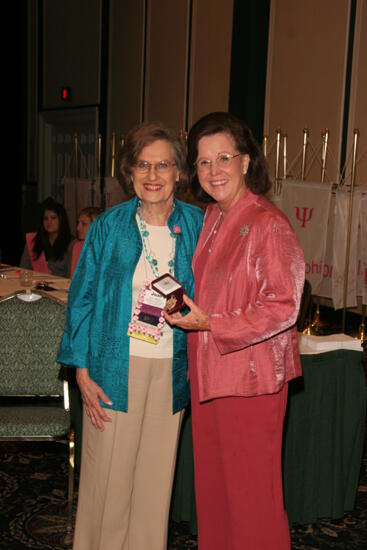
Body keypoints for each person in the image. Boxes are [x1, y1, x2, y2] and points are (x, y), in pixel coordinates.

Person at [57, 121, 203, 550]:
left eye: (163, 164)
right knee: (109, 481)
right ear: (130, 171)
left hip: (171, 369)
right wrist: (80, 369)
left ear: (179, 171)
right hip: (112, 367)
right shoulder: (108, 227)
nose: (153, 175)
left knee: (155, 482)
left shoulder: (198, 225)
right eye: (143, 164)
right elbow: (80, 300)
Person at [165, 112, 305, 550]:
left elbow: (283, 306)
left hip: (250, 382)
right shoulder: (212, 218)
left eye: (223, 157)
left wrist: (213, 323)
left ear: (246, 161)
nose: (213, 170)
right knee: (215, 500)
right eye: (203, 162)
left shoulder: (267, 223)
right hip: (210, 376)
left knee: (252, 505)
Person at [20, 197, 73, 278]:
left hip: (61, 287)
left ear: (61, 220)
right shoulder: (33, 240)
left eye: (53, 218)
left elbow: (71, 276)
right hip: (35, 285)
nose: (49, 222)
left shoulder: (72, 243)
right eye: (45, 218)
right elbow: (23, 269)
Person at [70, 206, 103, 276]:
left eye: (84, 224)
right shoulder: (77, 246)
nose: (78, 228)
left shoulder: (106, 248)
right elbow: (74, 277)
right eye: (78, 223)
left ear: (96, 226)